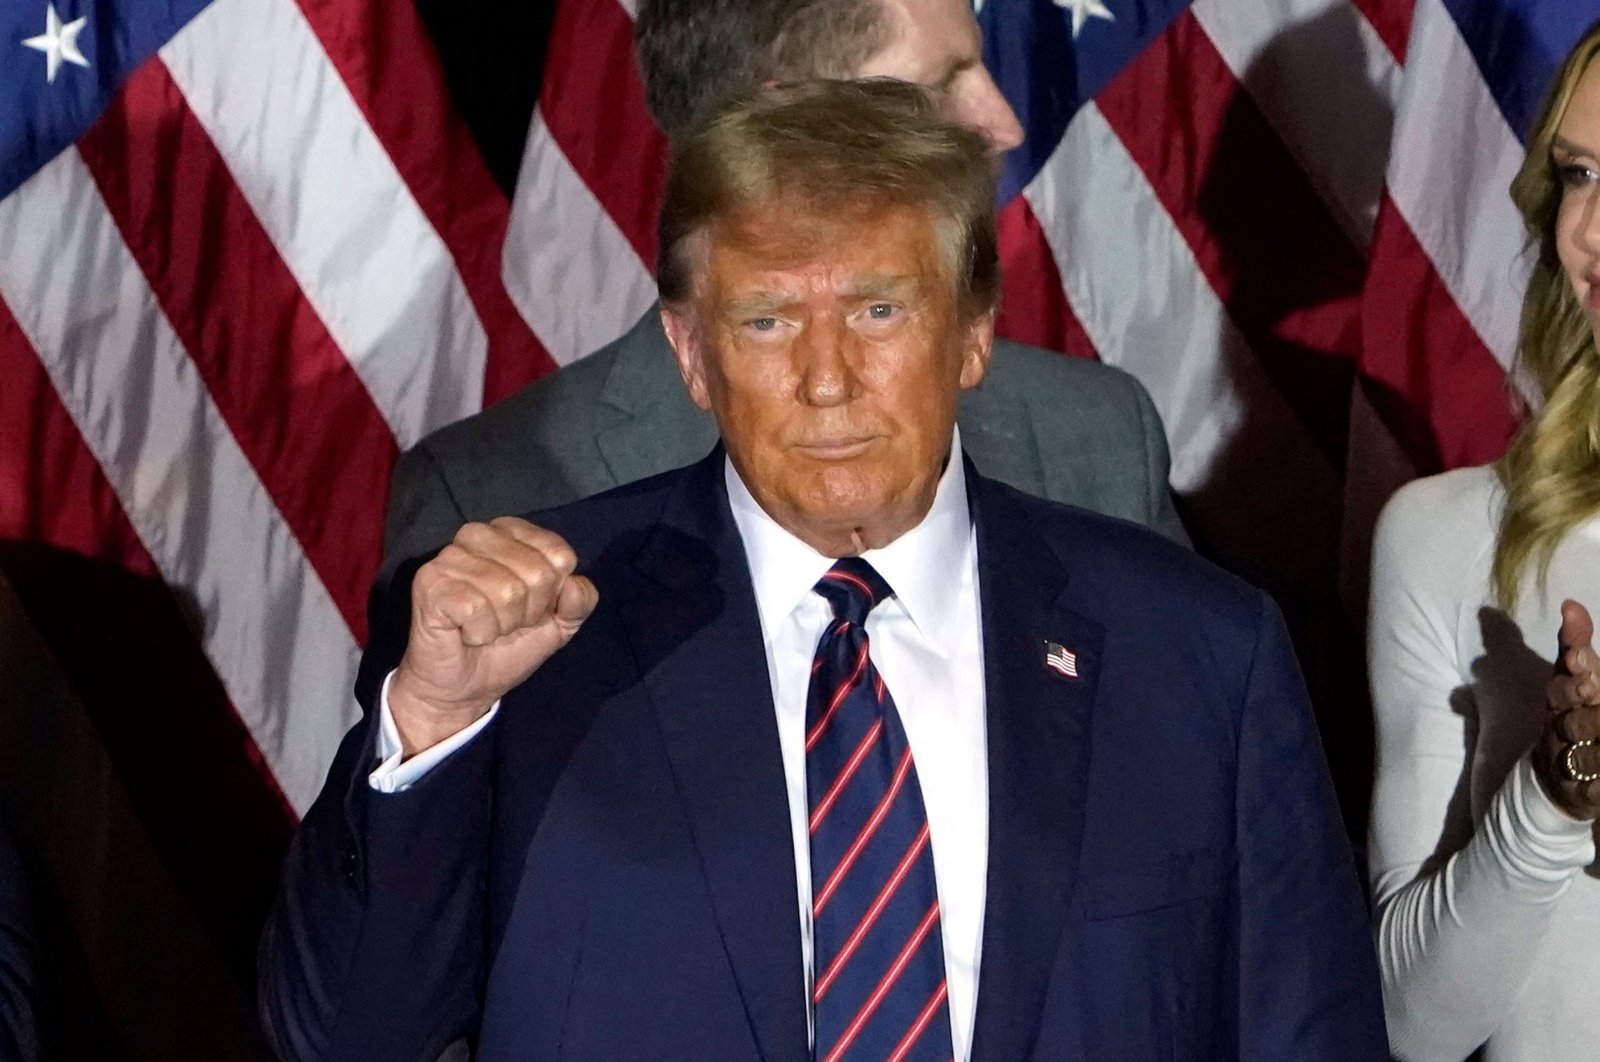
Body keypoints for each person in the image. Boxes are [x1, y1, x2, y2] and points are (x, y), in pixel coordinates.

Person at [260, 81, 1383, 1061]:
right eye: (766, 321)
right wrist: (432, 720)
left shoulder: (1196, 653)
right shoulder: (540, 636)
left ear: (975, 331)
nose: (827, 379)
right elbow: (347, 1035)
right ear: (692, 356)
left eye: (879, 310)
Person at [380, 0, 1186, 589]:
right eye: (941, 85)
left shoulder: (1101, 439)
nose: (1000, 125)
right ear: (777, 117)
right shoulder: (494, 499)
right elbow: (411, 812)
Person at [1367, 19, 1600, 1061]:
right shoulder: (1448, 535)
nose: (1587, 231)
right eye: (1580, 175)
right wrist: (1548, 801)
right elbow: (1407, 1025)